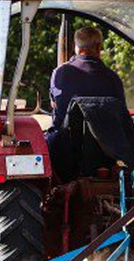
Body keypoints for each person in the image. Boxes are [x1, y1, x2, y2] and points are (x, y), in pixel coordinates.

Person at [46, 26, 126, 181]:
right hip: (105, 156)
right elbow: (121, 117)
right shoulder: (113, 79)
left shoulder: (60, 74)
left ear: (77, 48)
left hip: (64, 154)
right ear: (98, 47)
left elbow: (54, 105)